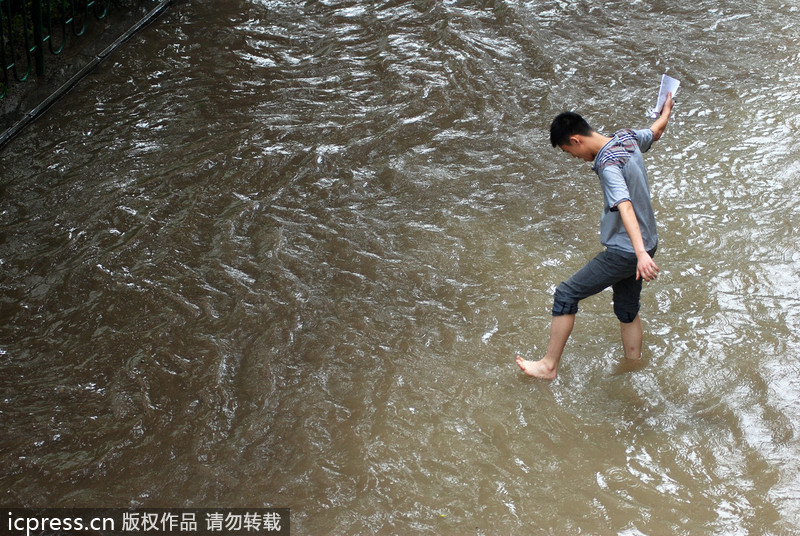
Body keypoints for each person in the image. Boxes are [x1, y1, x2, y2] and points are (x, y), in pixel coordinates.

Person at [516, 94, 675, 380]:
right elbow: (656, 131)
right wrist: (666, 111)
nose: (574, 158)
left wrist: (637, 254)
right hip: (648, 243)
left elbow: (624, 205)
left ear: (576, 140)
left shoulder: (607, 164)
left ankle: (548, 366)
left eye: (568, 152)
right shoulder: (626, 138)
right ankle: (633, 365)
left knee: (566, 294)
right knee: (626, 309)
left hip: (627, 251)